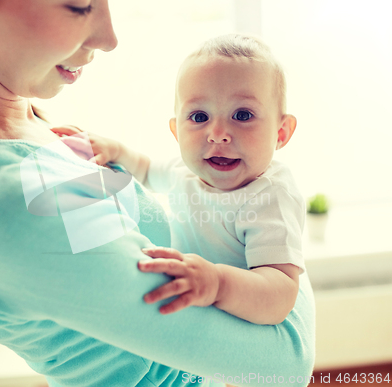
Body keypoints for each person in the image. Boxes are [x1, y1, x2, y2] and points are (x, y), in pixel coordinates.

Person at [0, 1, 315, 386]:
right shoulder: (13, 203)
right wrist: (269, 223)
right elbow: (287, 360)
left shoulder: (13, 123)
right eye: (80, 5)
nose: (109, 37)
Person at [62, 34, 304, 326]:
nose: (217, 133)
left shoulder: (270, 197)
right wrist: (116, 151)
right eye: (199, 116)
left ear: (281, 132)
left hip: (235, 320)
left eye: (242, 114)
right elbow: (147, 170)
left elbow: (280, 294)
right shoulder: (186, 170)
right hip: (189, 305)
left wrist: (218, 284)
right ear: (176, 131)